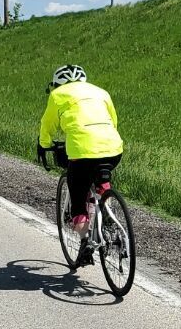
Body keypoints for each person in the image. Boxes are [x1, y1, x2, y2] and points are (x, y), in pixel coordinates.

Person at [37, 64, 124, 262]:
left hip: (82, 152)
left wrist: (44, 144)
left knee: (77, 194)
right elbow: (113, 120)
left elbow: (47, 124)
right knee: (101, 177)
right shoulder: (100, 91)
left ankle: (85, 241)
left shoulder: (57, 94)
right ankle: (108, 210)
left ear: (57, 83)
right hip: (113, 148)